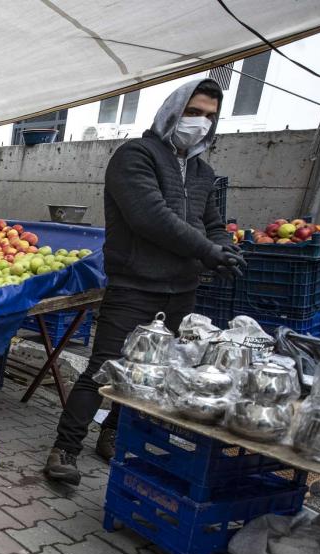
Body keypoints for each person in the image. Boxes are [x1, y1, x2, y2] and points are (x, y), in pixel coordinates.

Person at [43, 79, 246, 486]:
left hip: (182, 288)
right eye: (193, 113)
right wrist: (207, 252)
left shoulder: (203, 172)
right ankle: (65, 447)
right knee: (104, 368)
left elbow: (213, 223)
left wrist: (225, 249)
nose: (200, 123)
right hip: (135, 283)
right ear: (173, 112)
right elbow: (149, 216)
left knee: (150, 372)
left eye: (209, 116)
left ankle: (113, 433)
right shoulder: (136, 155)